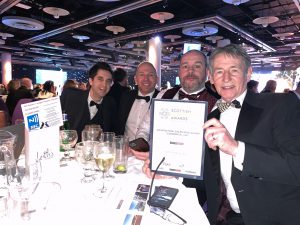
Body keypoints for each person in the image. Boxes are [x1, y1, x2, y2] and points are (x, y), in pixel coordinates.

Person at [200, 44, 300, 225]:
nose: (226, 78)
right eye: (219, 71)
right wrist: (163, 168)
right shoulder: (211, 117)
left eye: (234, 70)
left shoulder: (281, 105)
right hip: (225, 216)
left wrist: (237, 149)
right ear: (211, 77)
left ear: (248, 73)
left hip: (273, 218)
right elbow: (207, 173)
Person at [60, 62, 117, 141]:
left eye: (108, 81)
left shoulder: (111, 104)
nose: (104, 85)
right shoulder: (70, 96)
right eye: (100, 79)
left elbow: (111, 135)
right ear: (91, 81)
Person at [116, 62, 159, 140]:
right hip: (125, 149)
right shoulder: (126, 96)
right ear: (135, 79)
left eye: (151, 75)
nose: (146, 79)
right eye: (142, 74)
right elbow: (118, 126)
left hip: (148, 151)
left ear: (157, 79)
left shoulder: (161, 99)